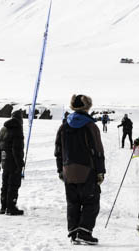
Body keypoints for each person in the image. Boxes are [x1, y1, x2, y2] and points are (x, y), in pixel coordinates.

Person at [54, 94, 106, 245]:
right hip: (87, 170)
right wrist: (100, 171)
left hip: (68, 170)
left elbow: (58, 150)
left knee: (73, 202)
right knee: (91, 201)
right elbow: (97, 151)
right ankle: (84, 232)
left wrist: (60, 170)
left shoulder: (63, 126)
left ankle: (73, 233)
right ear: (87, 107)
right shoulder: (90, 126)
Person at [0, 110, 25, 216]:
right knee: (13, 184)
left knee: (5, 184)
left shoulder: (3, 129)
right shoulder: (17, 129)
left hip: (4, 161)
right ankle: (11, 208)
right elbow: (16, 149)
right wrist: (20, 163)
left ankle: (3, 207)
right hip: (13, 162)